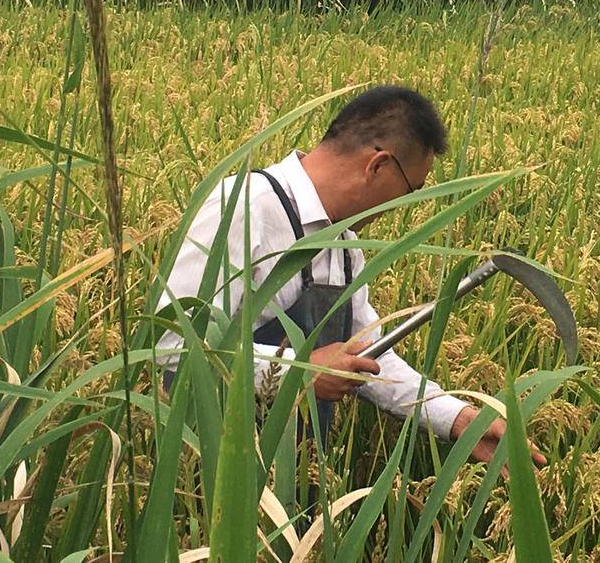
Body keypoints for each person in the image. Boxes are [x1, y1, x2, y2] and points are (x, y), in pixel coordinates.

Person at [155, 85, 545, 466]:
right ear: (378, 166)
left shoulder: (343, 242)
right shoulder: (246, 207)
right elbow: (173, 343)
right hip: (213, 474)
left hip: (297, 476)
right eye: (411, 191)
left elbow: (368, 358)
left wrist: (457, 419)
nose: (404, 207)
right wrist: (299, 372)